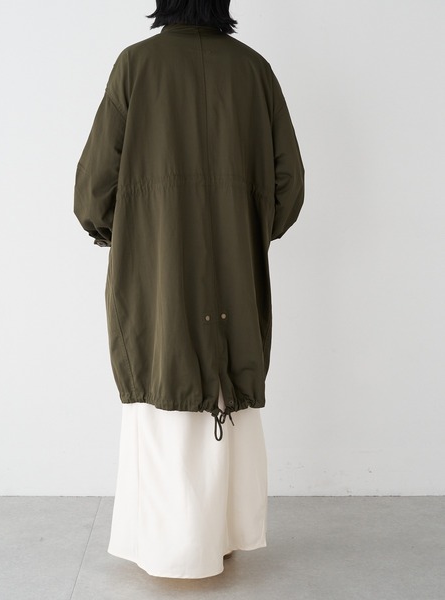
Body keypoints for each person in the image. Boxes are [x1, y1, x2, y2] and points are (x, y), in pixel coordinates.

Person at [73, 0, 305, 580]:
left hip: (157, 269)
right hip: (234, 270)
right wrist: (245, 232)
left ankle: (169, 547)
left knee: (161, 384)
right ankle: (223, 537)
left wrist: (128, 234)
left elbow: (94, 188)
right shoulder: (253, 69)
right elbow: (289, 184)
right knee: (227, 387)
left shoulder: (136, 66)